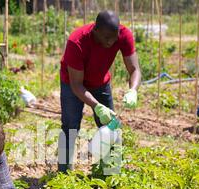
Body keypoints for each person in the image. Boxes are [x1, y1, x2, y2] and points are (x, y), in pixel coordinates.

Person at [58, 10, 141, 172]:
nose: (110, 42)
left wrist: (133, 90)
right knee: (70, 126)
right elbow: (77, 85)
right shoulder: (77, 42)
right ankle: (63, 173)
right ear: (95, 30)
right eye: (106, 38)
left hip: (100, 82)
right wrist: (97, 106)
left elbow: (135, 69)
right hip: (72, 83)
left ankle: (111, 171)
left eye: (114, 37)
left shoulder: (123, 35)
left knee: (112, 126)